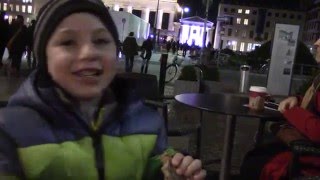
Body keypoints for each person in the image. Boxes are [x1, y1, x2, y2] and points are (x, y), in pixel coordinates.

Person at [0, 0, 206, 179]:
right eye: (68, 42)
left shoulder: (145, 121)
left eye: (101, 41)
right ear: (44, 57)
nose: (88, 52)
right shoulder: (12, 130)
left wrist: (172, 172)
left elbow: (157, 164)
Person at [240, 38, 320, 179]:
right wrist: (297, 99)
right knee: (255, 154)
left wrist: (290, 111)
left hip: (310, 156)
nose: (316, 43)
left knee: (254, 163)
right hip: (304, 148)